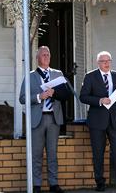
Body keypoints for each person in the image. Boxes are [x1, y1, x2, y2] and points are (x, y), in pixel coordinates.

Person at [19, 46, 66, 193]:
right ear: (37, 58)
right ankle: (36, 185)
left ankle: (53, 184)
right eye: (43, 55)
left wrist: (54, 93)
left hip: (53, 119)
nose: (46, 57)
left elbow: (65, 95)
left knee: (53, 153)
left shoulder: (58, 74)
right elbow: (22, 98)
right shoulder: (30, 76)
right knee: (36, 154)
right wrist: (40, 97)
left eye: (48, 55)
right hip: (37, 119)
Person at [79, 51, 116, 191]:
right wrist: (100, 100)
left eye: (108, 61)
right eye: (103, 61)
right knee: (98, 152)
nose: (106, 63)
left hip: (114, 120)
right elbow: (83, 97)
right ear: (98, 63)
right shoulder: (90, 77)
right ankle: (100, 182)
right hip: (97, 120)